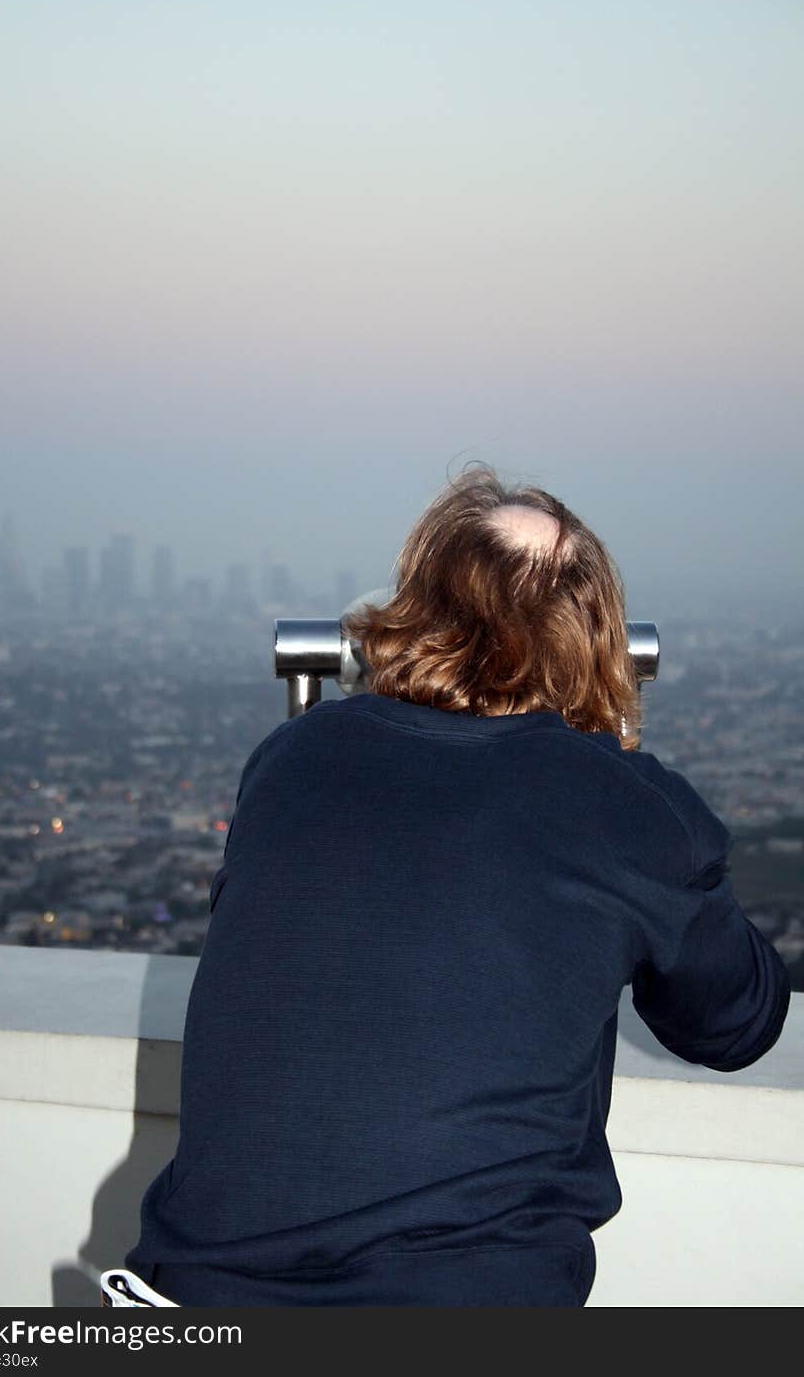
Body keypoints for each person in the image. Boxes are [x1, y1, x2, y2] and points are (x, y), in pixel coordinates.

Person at [124, 464, 790, 1307]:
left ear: (419, 606)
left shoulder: (292, 760)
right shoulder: (627, 807)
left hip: (191, 1296)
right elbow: (738, 1022)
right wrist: (617, 754)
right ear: (594, 631)